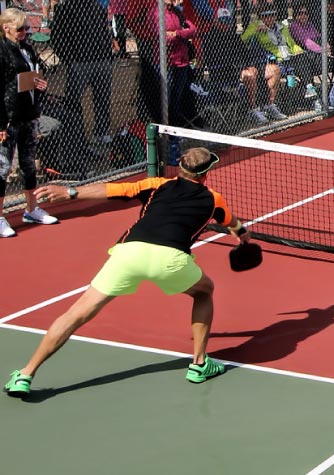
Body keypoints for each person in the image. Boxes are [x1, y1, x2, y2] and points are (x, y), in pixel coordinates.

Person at [3, 147, 251, 397]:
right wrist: (243, 236)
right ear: (206, 173)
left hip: (129, 253)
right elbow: (231, 223)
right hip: (171, 260)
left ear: (182, 168)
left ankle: (25, 374)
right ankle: (199, 364)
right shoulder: (213, 199)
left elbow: (111, 190)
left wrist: (69, 192)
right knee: (205, 291)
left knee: (75, 314)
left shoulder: (156, 184)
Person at [0, 8, 58, 238]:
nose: (24, 32)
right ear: (6, 28)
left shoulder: (27, 48)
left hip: (28, 115)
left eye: (26, 28)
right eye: (20, 29)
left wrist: (39, 84)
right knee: (3, 168)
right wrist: (1, 124)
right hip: (9, 117)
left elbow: (32, 76)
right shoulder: (3, 51)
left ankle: (32, 209)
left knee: (28, 164)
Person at [51, 0, 114, 146]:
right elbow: (57, 36)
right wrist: (69, 59)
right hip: (79, 62)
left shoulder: (97, 7)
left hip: (101, 59)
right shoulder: (65, 8)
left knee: (103, 99)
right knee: (73, 100)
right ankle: (74, 135)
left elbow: (104, 31)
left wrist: (108, 54)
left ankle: (101, 132)